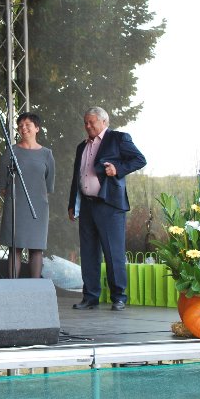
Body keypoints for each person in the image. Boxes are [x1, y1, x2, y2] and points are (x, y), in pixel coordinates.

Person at [68, 107, 146, 311]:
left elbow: (139, 159)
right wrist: (72, 204)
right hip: (86, 205)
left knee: (113, 253)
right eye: (85, 122)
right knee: (88, 253)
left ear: (104, 122)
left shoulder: (118, 138)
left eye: (91, 122)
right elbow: (77, 176)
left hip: (109, 205)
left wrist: (117, 169)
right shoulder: (82, 146)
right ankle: (90, 297)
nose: (87, 126)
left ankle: (119, 297)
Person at [0, 112, 55, 279]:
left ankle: (35, 286)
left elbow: (48, 184)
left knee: (36, 248)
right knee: (14, 247)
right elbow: (3, 184)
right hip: (16, 205)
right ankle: (13, 287)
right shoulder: (11, 151)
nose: (23, 128)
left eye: (27, 125)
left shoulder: (47, 154)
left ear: (37, 128)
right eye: (20, 125)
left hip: (38, 206)